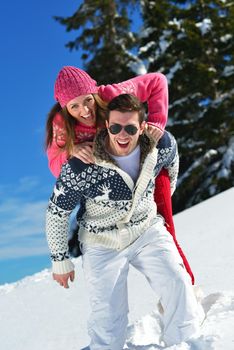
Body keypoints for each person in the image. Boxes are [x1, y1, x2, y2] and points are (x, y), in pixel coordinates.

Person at [45, 94, 203, 348]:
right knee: (108, 318)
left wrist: (153, 201)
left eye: (130, 128)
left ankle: (184, 342)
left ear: (142, 127)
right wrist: (59, 259)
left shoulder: (160, 143)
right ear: (106, 125)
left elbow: (171, 165)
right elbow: (56, 211)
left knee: (177, 282)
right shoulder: (81, 165)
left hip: (146, 228)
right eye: (116, 127)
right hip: (101, 240)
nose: (122, 134)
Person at [45, 66, 194, 284]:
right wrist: (71, 151)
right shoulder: (62, 125)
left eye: (87, 100)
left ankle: (188, 289)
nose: (85, 110)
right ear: (65, 108)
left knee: (165, 231)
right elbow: (56, 167)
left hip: (147, 170)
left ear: (94, 92)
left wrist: (157, 122)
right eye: (74, 106)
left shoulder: (113, 95)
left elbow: (157, 81)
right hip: (112, 191)